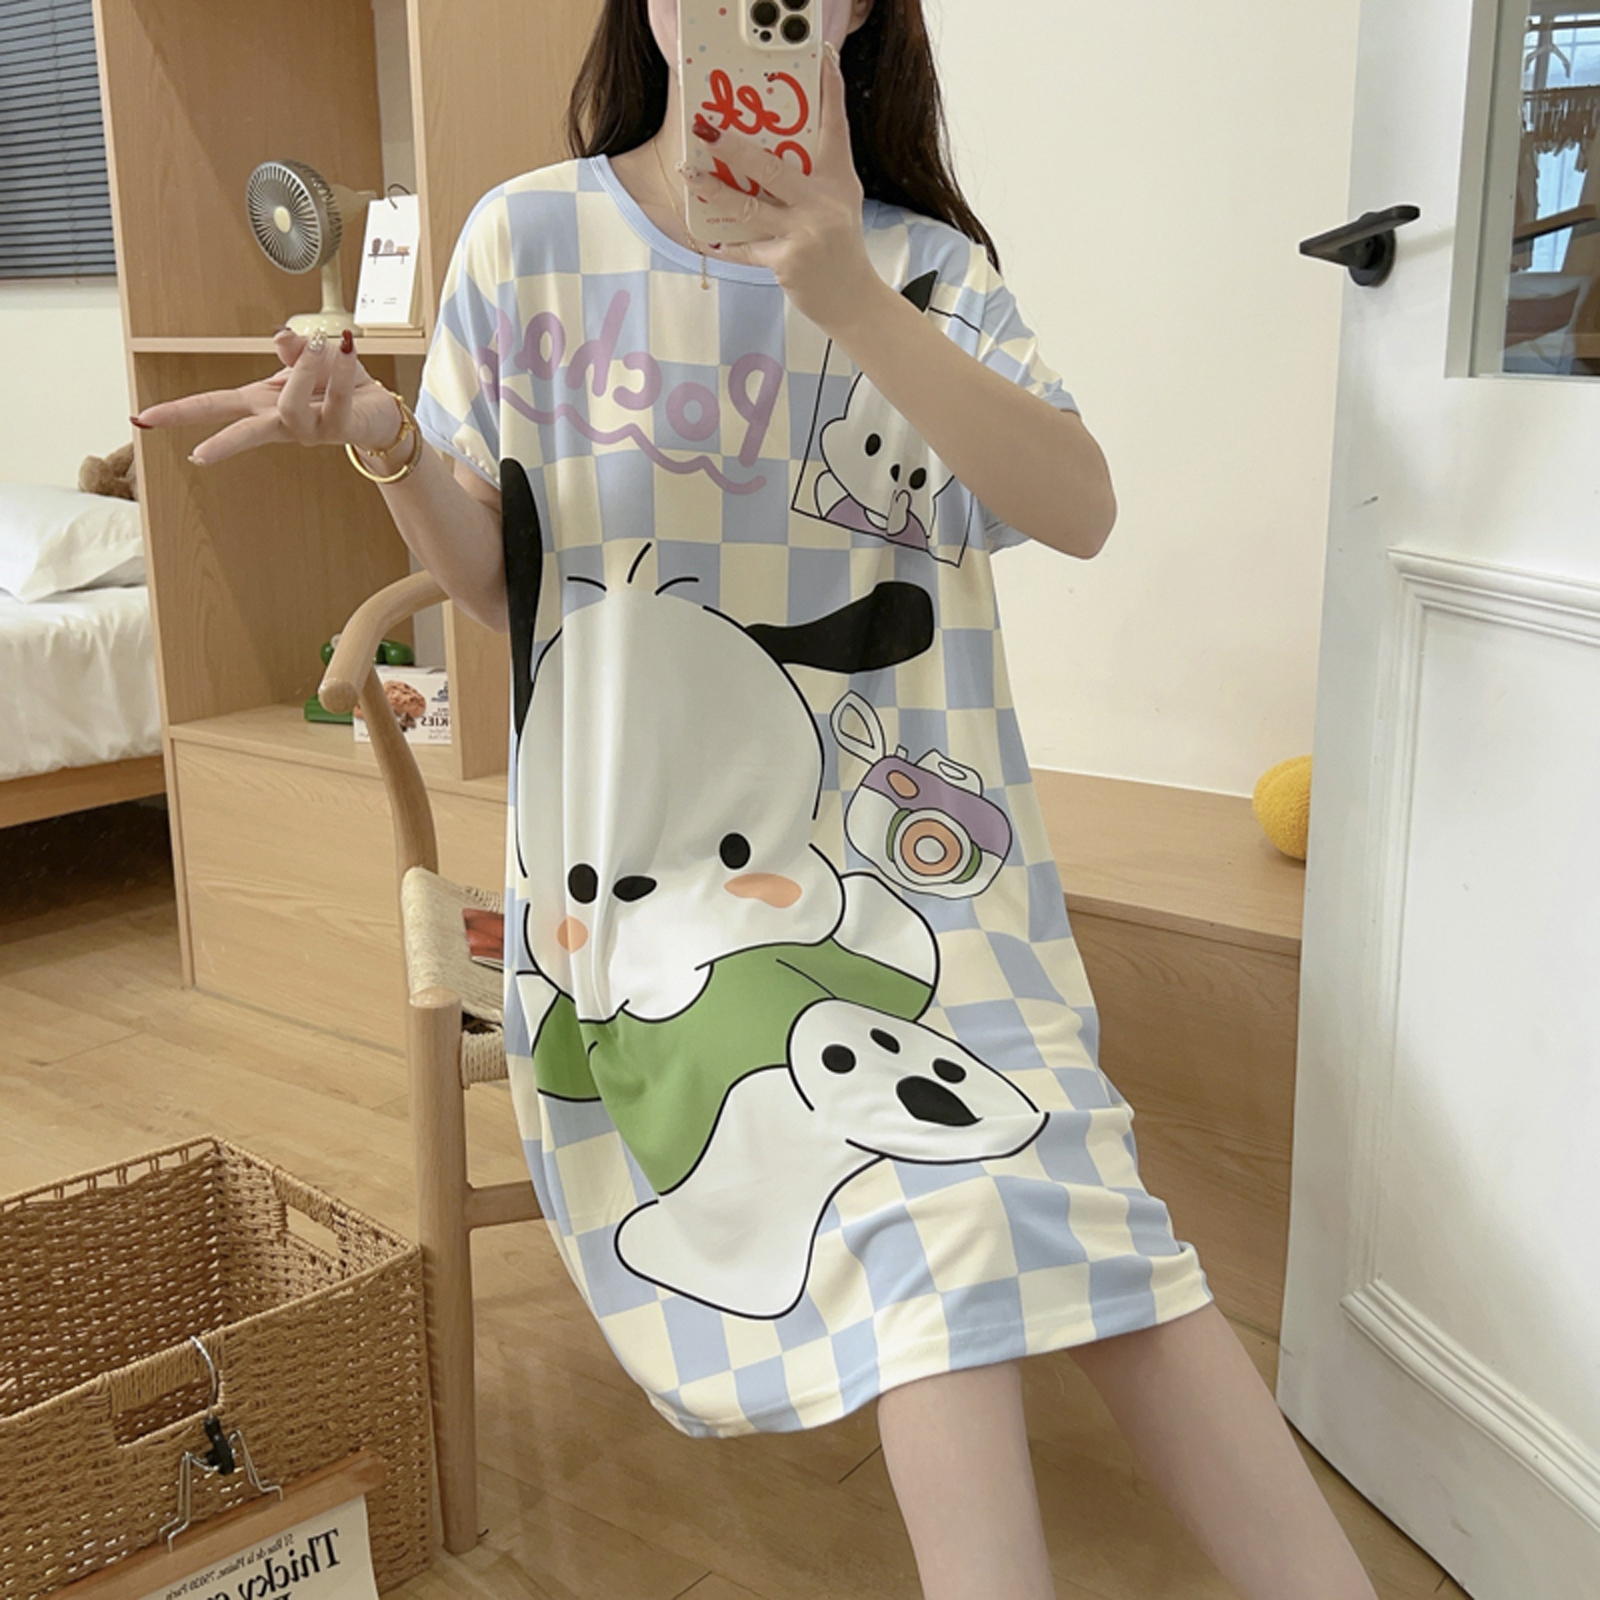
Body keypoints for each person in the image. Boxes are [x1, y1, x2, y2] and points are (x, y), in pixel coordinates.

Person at [134, 3, 1380, 1596]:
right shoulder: (529, 241)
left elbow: (1077, 509)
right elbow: (501, 590)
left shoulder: (921, 266)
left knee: (1090, 1209)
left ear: (852, 11)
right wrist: (383, 441)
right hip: (645, 907)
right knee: (938, 1224)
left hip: (924, 895)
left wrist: (847, 291)